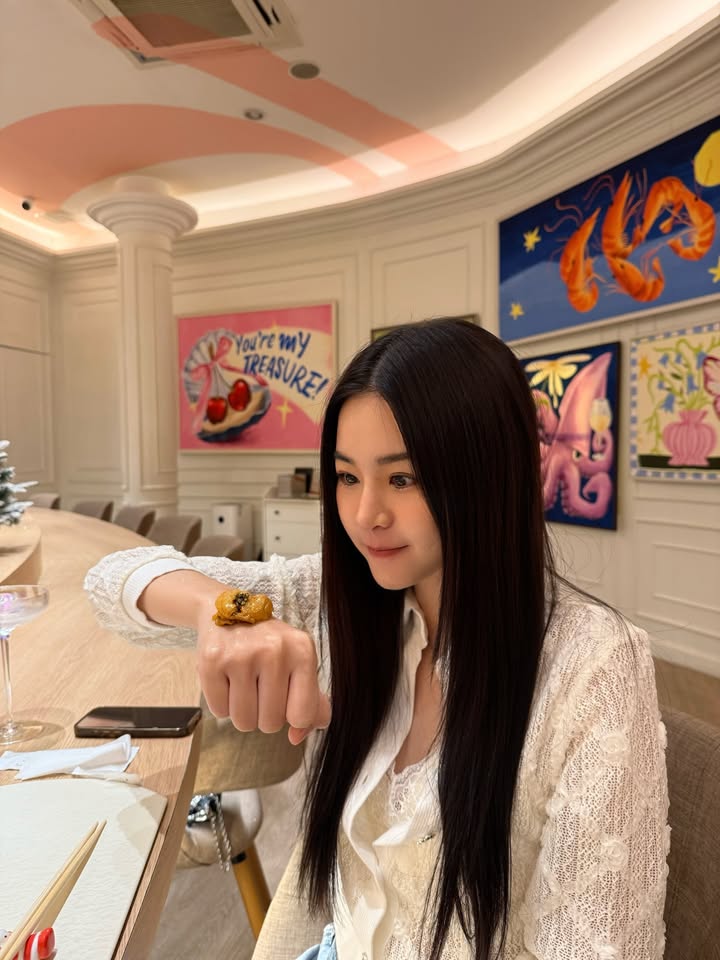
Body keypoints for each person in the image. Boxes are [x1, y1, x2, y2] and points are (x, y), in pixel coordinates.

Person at [84, 318, 669, 960]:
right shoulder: (349, 603)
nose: (366, 515)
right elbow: (111, 583)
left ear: (490, 473)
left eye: (402, 478)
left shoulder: (593, 666)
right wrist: (220, 611)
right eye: (347, 477)